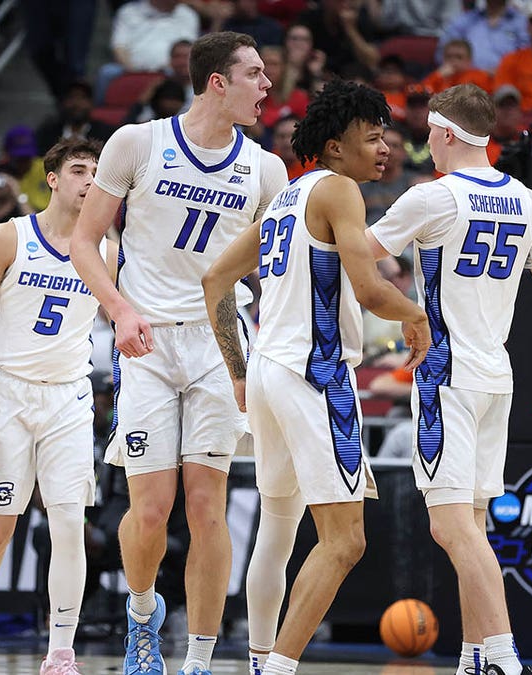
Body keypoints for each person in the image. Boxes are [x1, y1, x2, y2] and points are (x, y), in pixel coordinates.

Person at [70, 31, 287, 675]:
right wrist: (119, 310)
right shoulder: (138, 143)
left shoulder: (266, 170)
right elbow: (86, 241)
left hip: (220, 342)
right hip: (146, 339)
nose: (267, 85)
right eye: (255, 74)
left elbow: (273, 275)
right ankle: (142, 618)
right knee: (151, 507)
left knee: (206, 504)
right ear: (217, 81)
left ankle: (197, 657)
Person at [202, 78, 431, 675]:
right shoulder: (338, 191)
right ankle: (276, 670)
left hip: (268, 374)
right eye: (373, 137)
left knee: (277, 533)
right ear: (334, 147)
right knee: (345, 540)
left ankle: (258, 661)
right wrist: (416, 316)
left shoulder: (286, 198)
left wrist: (237, 371)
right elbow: (370, 288)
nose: (387, 149)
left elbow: (214, 281)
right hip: (314, 374)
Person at [366, 83, 532, 675]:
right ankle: (473, 659)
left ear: (446, 133)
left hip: (446, 375)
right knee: (474, 529)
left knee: (451, 525)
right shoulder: (527, 200)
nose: (424, 144)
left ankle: (507, 660)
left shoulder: (430, 198)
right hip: (497, 376)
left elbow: (355, 260)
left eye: (429, 133)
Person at [0, 137, 105, 675]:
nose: (89, 180)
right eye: (79, 169)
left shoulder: (108, 247)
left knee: (68, 525)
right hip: (7, 392)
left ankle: (61, 652)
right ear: (52, 178)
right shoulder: (8, 237)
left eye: (97, 172)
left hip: (70, 397)